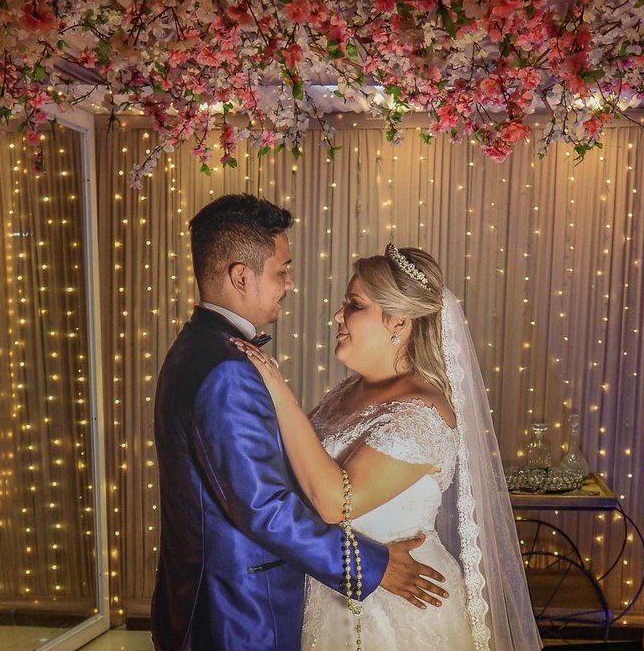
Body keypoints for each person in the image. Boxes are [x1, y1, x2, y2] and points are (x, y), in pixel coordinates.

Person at [151, 195, 448, 651]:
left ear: (400, 322)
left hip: (351, 610)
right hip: (239, 609)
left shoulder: (199, 347)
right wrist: (371, 566)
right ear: (241, 276)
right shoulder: (228, 369)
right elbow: (265, 506)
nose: (290, 282)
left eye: (353, 305)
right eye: (282, 270)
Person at [234, 244, 543, 651]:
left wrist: (278, 391)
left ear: (398, 320)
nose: (338, 316)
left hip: (396, 606)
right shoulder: (347, 391)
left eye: (354, 304)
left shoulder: (422, 411)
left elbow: (336, 502)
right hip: (334, 587)